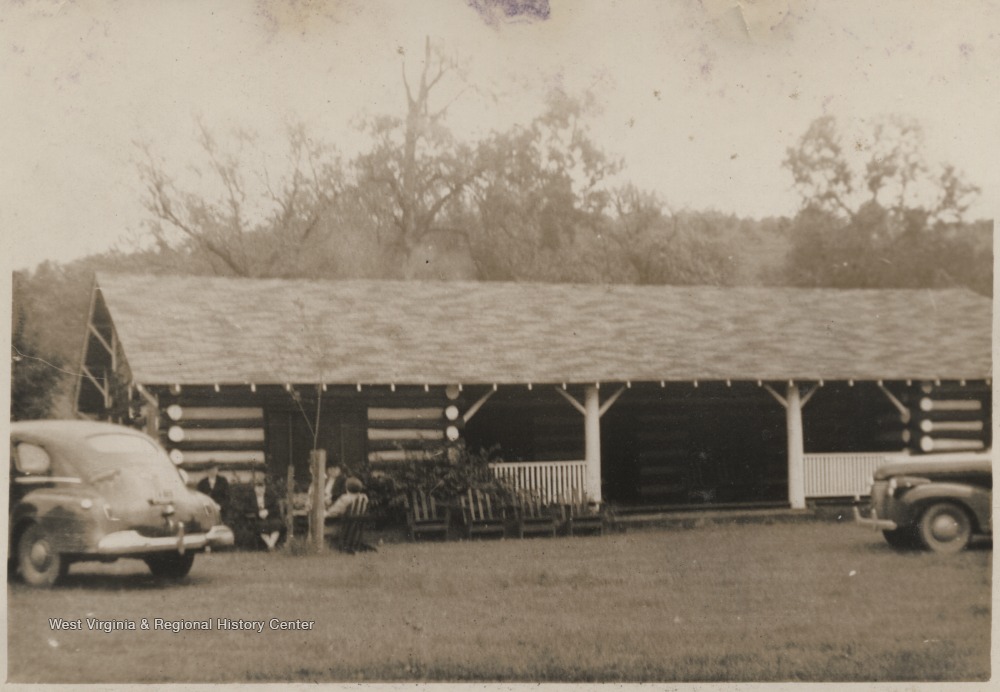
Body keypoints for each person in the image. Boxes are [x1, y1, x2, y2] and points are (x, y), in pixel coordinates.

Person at [247, 475, 285, 550]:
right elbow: (247, 508)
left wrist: (267, 511)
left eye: (262, 487)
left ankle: (270, 545)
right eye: (258, 487)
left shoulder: (270, 496)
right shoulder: (251, 498)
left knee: (276, 524)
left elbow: (276, 508)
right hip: (258, 519)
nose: (260, 489)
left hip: (271, 517)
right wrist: (258, 513)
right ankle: (271, 545)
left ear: (265, 488)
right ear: (255, 489)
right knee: (261, 526)